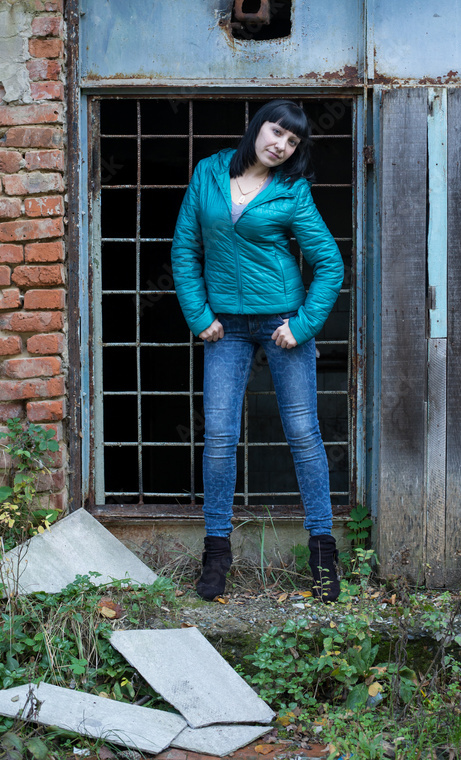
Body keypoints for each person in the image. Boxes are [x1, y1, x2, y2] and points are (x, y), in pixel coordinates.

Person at [171, 99, 345, 602]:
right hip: (224, 326)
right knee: (221, 435)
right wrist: (199, 316)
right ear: (258, 127)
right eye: (276, 133)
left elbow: (329, 263)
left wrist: (304, 325)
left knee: (302, 433)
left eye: (292, 142)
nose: (281, 145)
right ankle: (217, 555)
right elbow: (185, 249)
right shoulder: (208, 173)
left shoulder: (292, 189)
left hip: (281, 323)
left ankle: (321, 552)